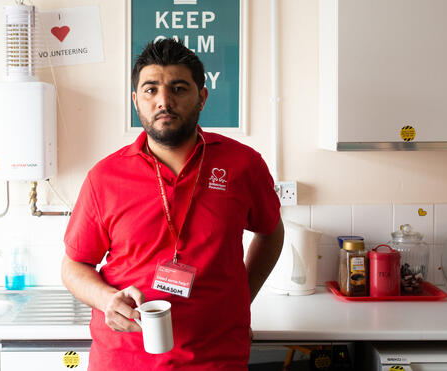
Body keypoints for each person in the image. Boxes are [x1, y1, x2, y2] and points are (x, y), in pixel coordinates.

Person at [62, 38, 284, 370]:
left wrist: (240, 301)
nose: (164, 101)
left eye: (179, 88)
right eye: (151, 90)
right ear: (136, 101)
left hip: (216, 358)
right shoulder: (104, 177)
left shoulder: (243, 165)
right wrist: (106, 299)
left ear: (202, 97)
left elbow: (270, 233)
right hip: (125, 358)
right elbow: (73, 266)